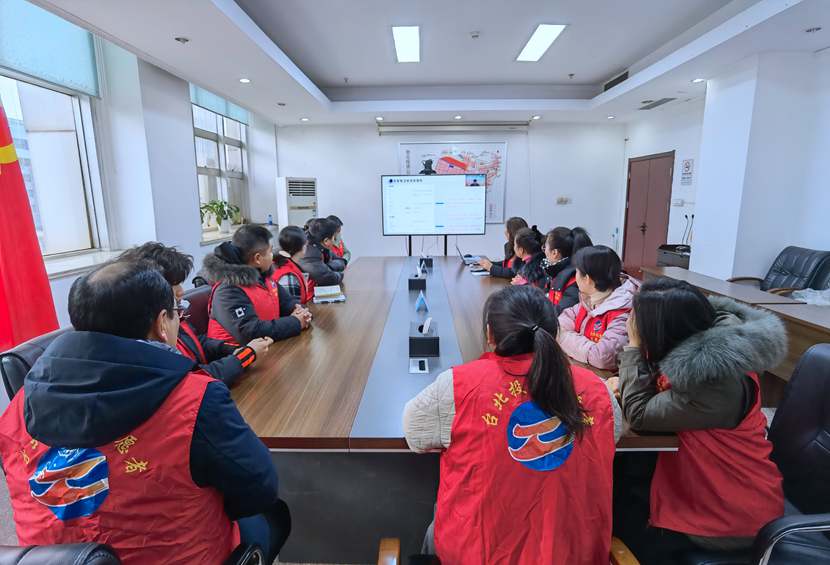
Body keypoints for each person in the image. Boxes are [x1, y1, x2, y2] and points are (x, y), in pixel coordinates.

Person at [0, 261, 290, 564]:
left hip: (54, 559)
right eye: (178, 312)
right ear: (162, 323)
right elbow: (259, 487)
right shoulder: (194, 398)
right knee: (270, 515)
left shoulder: (19, 404)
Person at [403, 285, 621, 565]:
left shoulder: (458, 386)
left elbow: (415, 434)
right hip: (572, 555)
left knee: (436, 525)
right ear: (555, 333)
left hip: (477, 555)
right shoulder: (597, 390)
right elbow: (612, 435)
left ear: (490, 335)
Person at [608, 278, 785, 561]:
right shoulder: (699, 345)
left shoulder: (714, 380)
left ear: (664, 331)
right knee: (616, 484)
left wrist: (633, 349)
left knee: (609, 519)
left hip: (728, 512)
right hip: (702, 484)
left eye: (638, 323)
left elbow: (640, 414)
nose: (633, 326)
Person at [117, 242, 272, 386]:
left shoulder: (174, 314)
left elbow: (197, 342)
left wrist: (234, 349)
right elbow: (192, 380)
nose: (181, 292)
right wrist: (245, 355)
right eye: (173, 285)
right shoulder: (148, 341)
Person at [203, 224, 312, 346]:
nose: (273, 256)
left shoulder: (263, 276)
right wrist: (296, 322)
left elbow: (287, 302)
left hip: (268, 348)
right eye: (270, 252)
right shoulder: (227, 290)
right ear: (258, 259)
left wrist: (301, 312)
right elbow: (250, 332)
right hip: (235, 354)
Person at [557, 245, 639, 370]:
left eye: (577, 272)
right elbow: (564, 318)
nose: (575, 277)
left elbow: (603, 358)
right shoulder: (590, 298)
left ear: (587, 279)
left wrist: (563, 337)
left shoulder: (624, 311)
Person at [543, 227, 593, 314]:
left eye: (545, 247)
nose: (544, 251)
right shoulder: (557, 272)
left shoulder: (574, 280)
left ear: (555, 253)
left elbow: (561, 313)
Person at [272, 225, 314, 304]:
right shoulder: (288, 275)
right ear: (302, 247)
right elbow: (293, 307)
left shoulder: (284, 263)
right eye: (306, 244)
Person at [299, 218, 345, 286]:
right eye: (334, 238)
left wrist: (327, 267)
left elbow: (341, 261)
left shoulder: (322, 247)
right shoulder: (309, 253)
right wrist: (341, 275)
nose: (334, 241)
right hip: (308, 291)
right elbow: (329, 278)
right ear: (326, 241)